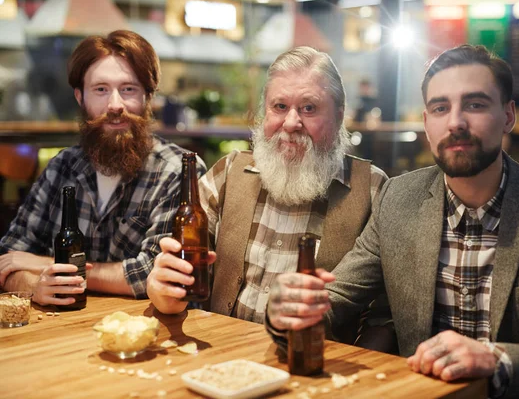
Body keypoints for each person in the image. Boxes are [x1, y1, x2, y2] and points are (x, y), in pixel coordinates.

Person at [266, 44, 519, 398]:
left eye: (475, 104)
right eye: (441, 108)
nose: (455, 122)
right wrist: (288, 313)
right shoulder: (398, 199)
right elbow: (338, 300)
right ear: (427, 123)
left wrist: (497, 360)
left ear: (508, 116)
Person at [147, 46, 393, 350]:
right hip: (218, 361)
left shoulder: (372, 189)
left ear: (339, 115)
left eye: (309, 108)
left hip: (315, 370)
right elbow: (179, 278)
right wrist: (164, 291)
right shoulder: (228, 172)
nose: (291, 123)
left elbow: (384, 317)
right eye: (279, 106)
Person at [0, 30, 206, 307]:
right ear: (79, 97)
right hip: (60, 333)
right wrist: (35, 284)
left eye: (129, 89)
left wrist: (48, 263)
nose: (115, 105)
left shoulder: (176, 172)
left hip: (144, 337)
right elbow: (10, 256)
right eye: (101, 89)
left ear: (148, 96)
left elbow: (155, 273)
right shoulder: (62, 167)